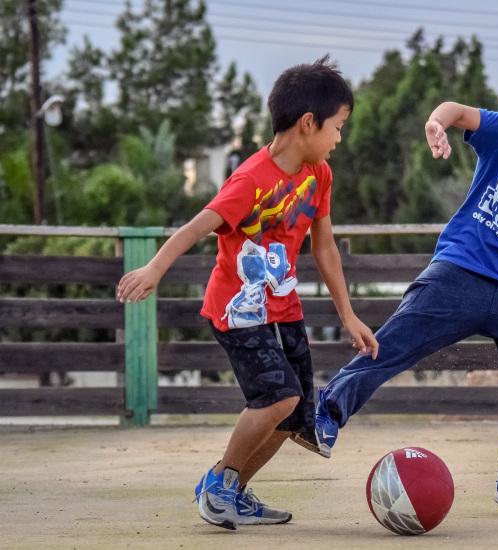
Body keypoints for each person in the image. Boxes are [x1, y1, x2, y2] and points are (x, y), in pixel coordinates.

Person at [296, 63, 498, 517]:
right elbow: (457, 110)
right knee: (394, 342)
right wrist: (436, 123)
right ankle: (327, 411)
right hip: (461, 268)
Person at [116, 56, 378, 531]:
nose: (339, 138)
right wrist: (155, 267)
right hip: (238, 309)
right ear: (307, 123)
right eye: (337, 127)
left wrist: (349, 315)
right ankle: (218, 484)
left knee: (296, 413)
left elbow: (324, 247)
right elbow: (199, 225)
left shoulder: (318, 176)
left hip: (284, 307)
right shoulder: (250, 180)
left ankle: (230, 492)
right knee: (277, 397)